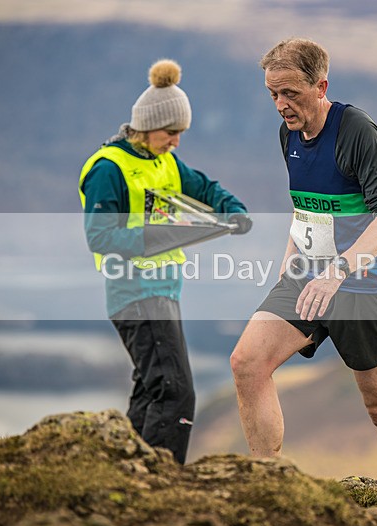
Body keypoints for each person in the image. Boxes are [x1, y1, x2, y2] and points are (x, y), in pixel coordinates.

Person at [229, 38, 377, 497]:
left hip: (366, 284)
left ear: (321, 87)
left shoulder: (356, 130)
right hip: (308, 276)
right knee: (247, 364)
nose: (281, 104)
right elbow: (307, 208)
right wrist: (288, 265)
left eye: (290, 93)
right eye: (273, 94)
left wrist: (338, 271)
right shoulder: (289, 133)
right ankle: (270, 491)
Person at [78, 59, 251, 465]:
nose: (176, 142)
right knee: (175, 392)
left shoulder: (165, 162)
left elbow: (204, 187)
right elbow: (99, 236)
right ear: (147, 125)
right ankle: (160, 480)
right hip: (135, 294)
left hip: (164, 291)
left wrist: (232, 209)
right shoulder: (109, 169)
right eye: (171, 132)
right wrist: (160, 236)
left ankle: (127, 473)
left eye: (180, 133)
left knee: (151, 389)